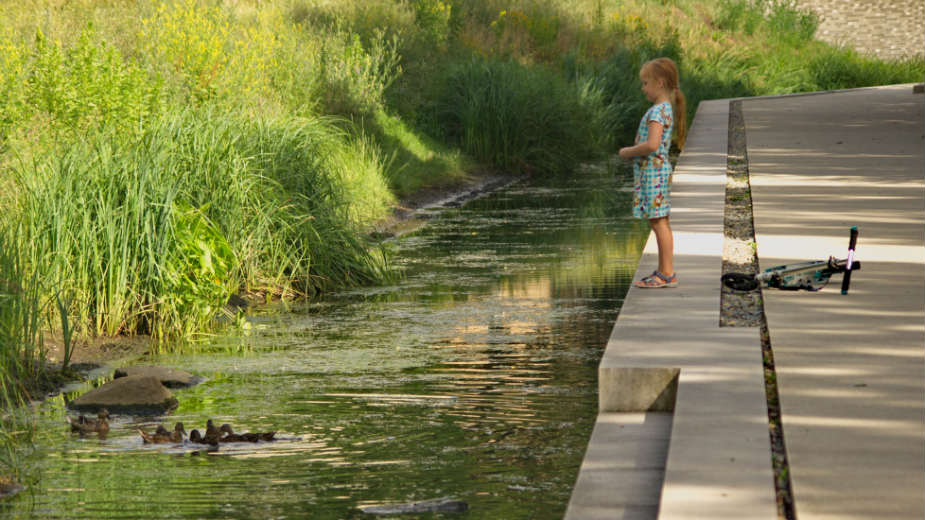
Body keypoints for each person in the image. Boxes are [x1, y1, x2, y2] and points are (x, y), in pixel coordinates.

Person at [618, 57, 687, 288]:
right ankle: (663, 270)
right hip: (656, 173)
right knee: (660, 221)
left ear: (659, 83)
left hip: (653, 175)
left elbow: (652, 144)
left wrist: (628, 151)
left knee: (659, 222)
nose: (643, 88)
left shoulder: (658, 111)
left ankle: (667, 273)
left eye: (645, 83)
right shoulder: (665, 108)